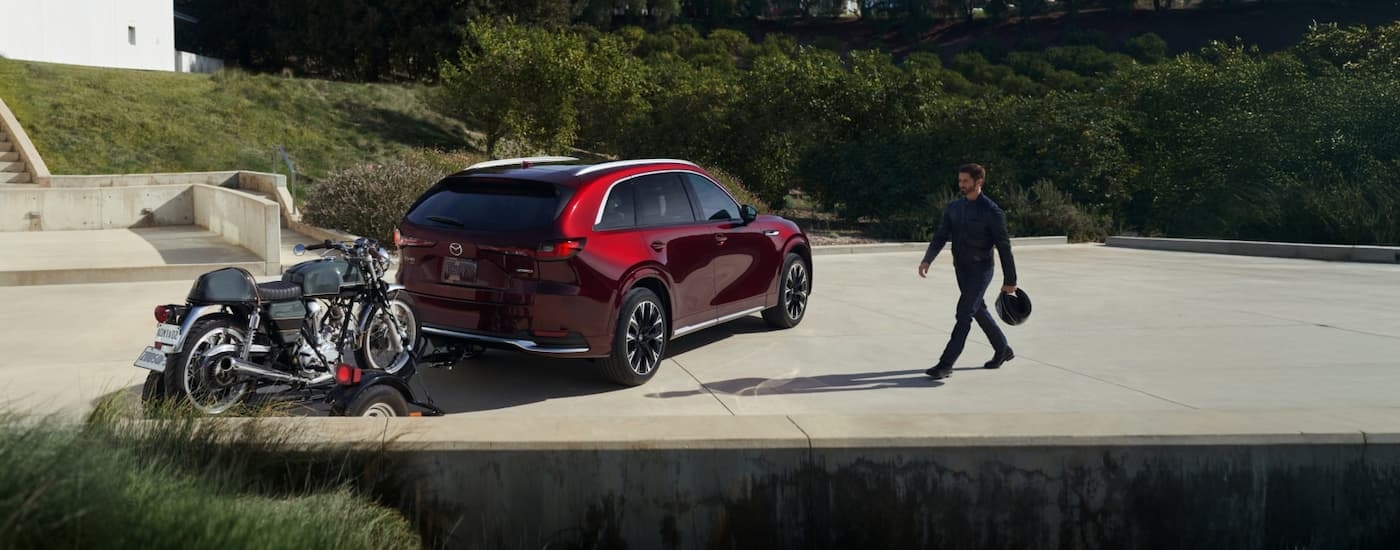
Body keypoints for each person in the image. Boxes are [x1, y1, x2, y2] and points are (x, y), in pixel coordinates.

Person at [917, 163, 1017, 380]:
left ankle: (946, 364)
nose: (961, 185)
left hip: (982, 269)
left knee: (964, 312)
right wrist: (928, 259)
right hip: (961, 269)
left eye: (965, 181)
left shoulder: (992, 212)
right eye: (960, 180)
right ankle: (1002, 349)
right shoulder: (954, 207)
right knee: (977, 309)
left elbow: (1004, 247)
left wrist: (1010, 280)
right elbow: (941, 235)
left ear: (978, 182)